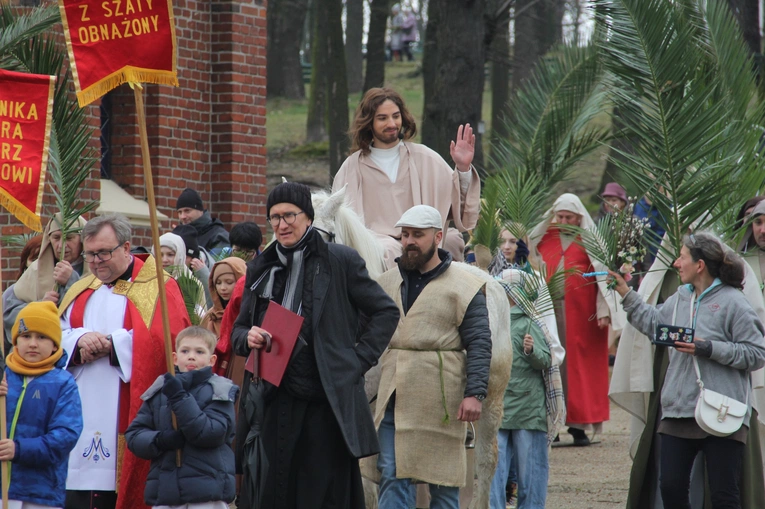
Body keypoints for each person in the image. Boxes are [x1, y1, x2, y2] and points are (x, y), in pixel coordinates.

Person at [232, 182, 399, 509]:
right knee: (274, 492)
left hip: (325, 401)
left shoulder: (340, 260)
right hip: (273, 400)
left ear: (307, 217)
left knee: (322, 495)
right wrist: (247, 337)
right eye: (274, 218)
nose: (282, 225)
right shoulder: (261, 267)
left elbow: (385, 311)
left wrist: (357, 361)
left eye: (289, 215)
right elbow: (239, 328)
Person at [609, 232, 765, 508]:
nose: (676, 263)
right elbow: (655, 324)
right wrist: (625, 292)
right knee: (670, 487)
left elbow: (756, 354)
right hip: (678, 410)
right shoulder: (680, 298)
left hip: (723, 411)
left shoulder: (734, 302)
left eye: (681, 257)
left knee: (724, 495)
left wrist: (708, 348)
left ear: (700, 265)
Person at [59, 213, 191, 509]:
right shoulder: (82, 288)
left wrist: (113, 344)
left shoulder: (157, 284)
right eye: (90, 254)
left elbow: (167, 340)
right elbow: (57, 333)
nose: (95, 262)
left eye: (104, 253)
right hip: (83, 405)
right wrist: (79, 341)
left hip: (127, 403)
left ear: (126, 247)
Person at [368, 205, 492, 509]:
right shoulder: (386, 283)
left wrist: (475, 393)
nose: (409, 241)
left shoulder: (465, 286)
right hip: (394, 395)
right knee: (392, 477)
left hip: (442, 398)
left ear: (437, 236)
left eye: (417, 235)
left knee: (444, 482)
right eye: (405, 234)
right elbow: (366, 336)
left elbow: (479, 341)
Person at [333, 87, 480, 268]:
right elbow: (339, 224)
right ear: (369, 122)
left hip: (423, 240)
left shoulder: (426, 158)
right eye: (382, 118)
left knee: (451, 241)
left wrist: (463, 169)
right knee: (388, 251)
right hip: (377, 248)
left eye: (396, 116)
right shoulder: (351, 168)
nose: (392, 123)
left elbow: (459, 207)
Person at [530, 193, 623, 446]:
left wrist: (603, 310)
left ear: (579, 217)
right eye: (559, 216)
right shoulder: (542, 238)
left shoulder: (591, 239)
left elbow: (604, 278)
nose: (563, 220)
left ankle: (579, 426)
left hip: (584, 316)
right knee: (551, 366)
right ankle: (553, 425)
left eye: (568, 217)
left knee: (581, 370)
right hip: (549, 311)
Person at [126, 326, 238, 509]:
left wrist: (179, 397)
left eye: (199, 351)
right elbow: (135, 435)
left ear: (212, 360)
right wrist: (160, 440)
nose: (191, 356)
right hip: (166, 493)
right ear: (175, 358)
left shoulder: (220, 391)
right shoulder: (160, 390)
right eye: (185, 351)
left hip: (206, 495)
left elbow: (211, 433)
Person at [0, 301, 83, 509]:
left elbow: (65, 435)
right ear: (16, 341)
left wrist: (19, 449)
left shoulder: (63, 383)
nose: (33, 344)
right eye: (26, 336)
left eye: (42, 337)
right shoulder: (3, 378)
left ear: (55, 344)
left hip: (41, 495)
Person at [490, 270, 553, 509]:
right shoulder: (492, 321)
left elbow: (546, 361)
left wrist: (531, 351)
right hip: (499, 405)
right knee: (493, 471)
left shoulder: (530, 321)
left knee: (530, 473)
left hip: (527, 409)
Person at [4, 215, 88, 349]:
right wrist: (40, 307)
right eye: (56, 238)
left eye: (70, 238)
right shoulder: (35, 270)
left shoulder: (96, 271)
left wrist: (72, 281)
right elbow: (8, 314)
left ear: (83, 240)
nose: (61, 245)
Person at [202, 257, 247, 386]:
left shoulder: (248, 316)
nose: (223, 288)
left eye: (229, 282)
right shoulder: (211, 316)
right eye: (218, 283)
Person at [157, 232, 208, 322]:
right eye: (160, 255)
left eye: (170, 255)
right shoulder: (148, 281)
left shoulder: (192, 283)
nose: (164, 260)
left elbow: (201, 318)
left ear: (180, 255)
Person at [175, 188, 230, 255]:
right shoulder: (177, 236)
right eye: (180, 212)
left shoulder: (218, 236)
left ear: (200, 210)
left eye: (187, 211)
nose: (182, 216)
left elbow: (218, 262)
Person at [173, 224, 214, 307]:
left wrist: (204, 276)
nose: (180, 260)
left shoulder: (208, 269)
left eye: (185, 257)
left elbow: (213, 306)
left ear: (194, 258)